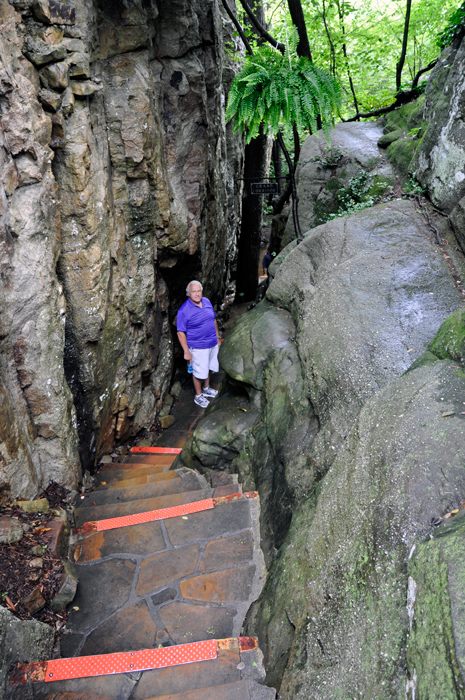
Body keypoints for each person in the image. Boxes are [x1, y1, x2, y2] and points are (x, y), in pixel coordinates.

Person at [177, 280, 220, 408]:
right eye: (194, 291)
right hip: (197, 347)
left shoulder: (206, 301)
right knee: (198, 371)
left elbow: (213, 320)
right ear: (188, 294)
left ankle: (206, 388)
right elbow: (180, 332)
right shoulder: (184, 310)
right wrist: (186, 351)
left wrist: (217, 338)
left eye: (198, 291)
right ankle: (198, 395)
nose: (197, 294)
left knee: (208, 367)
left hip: (211, 343)